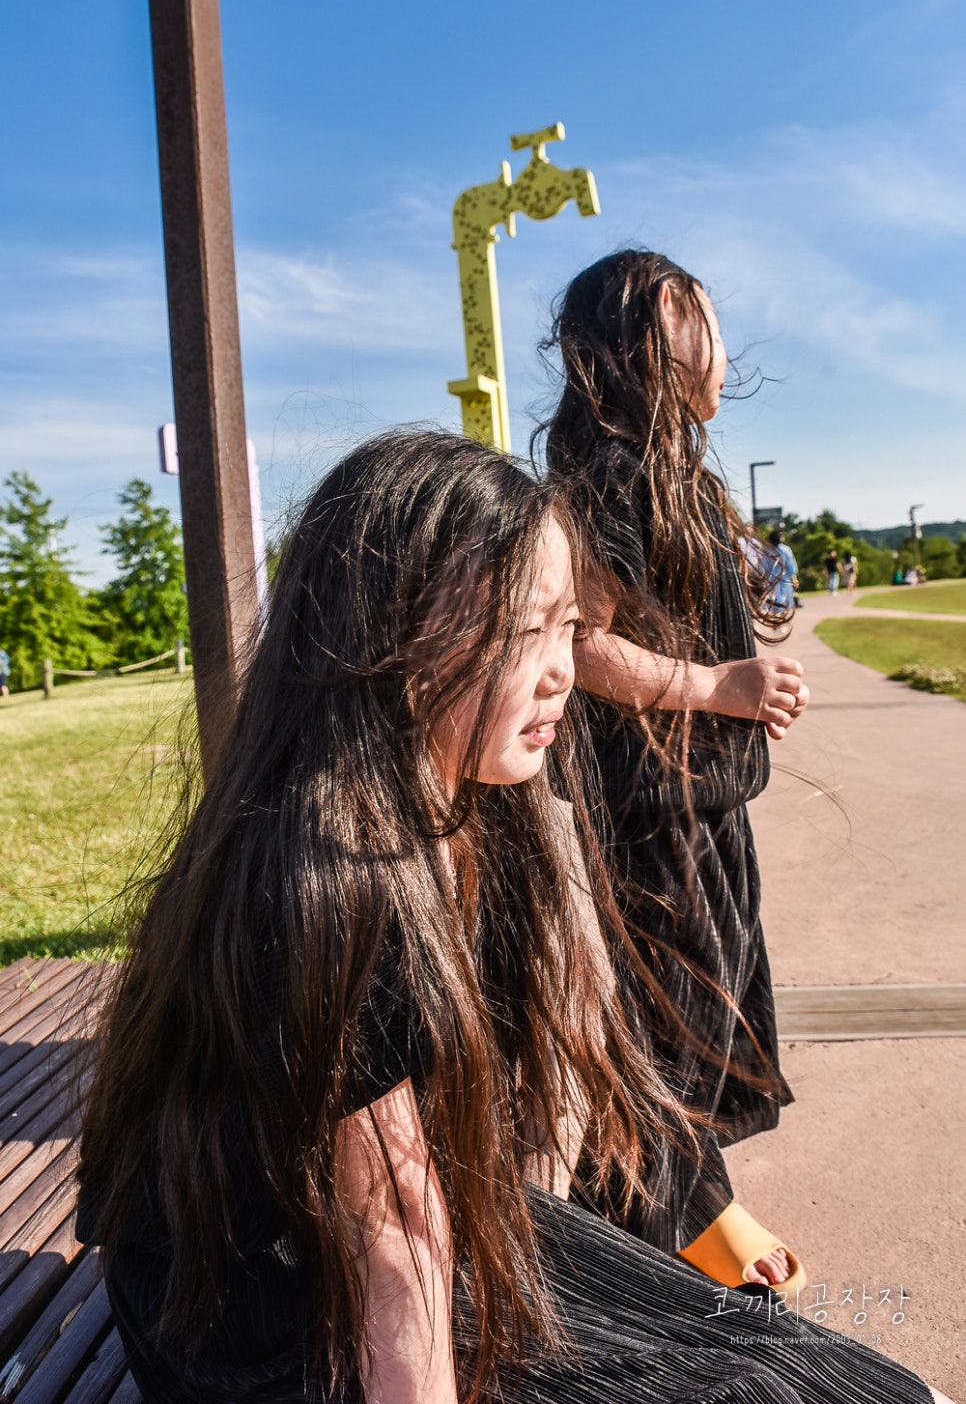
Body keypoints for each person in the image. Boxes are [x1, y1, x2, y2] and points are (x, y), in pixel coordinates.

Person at [76, 429, 946, 1404]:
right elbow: (392, 1232)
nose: (561, 671)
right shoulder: (335, 869)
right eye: (518, 631)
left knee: (856, 1381)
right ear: (390, 633)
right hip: (267, 1318)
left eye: (564, 629)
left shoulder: (458, 803)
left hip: (392, 1238)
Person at [540, 249, 809, 1292]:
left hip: (703, 802)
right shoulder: (607, 473)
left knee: (714, 1007)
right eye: (711, 316)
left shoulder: (665, 466)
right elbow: (582, 642)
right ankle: (640, 1245)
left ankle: (687, 1213)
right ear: (667, 315)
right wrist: (719, 688)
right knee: (676, 1030)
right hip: (656, 809)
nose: (726, 347)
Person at [768, 528, 799, 615]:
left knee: (774, 602)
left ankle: (776, 621)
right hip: (785, 579)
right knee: (785, 602)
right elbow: (791, 565)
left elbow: (764, 566)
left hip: (771, 580)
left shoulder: (767, 550)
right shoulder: (786, 550)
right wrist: (794, 578)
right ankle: (782, 620)